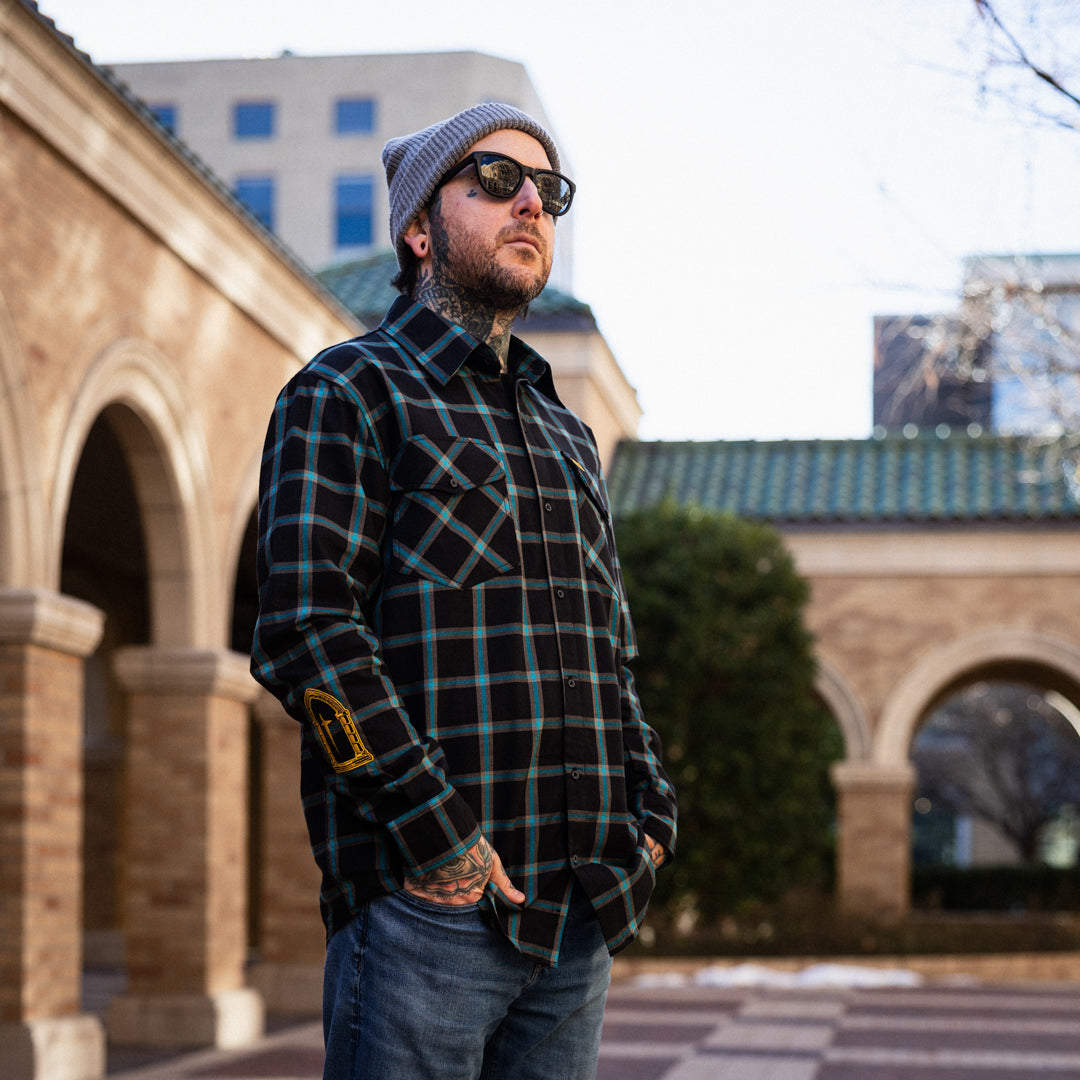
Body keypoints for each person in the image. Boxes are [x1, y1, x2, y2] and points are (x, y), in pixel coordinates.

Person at [251, 102, 676, 1080]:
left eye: (550, 191)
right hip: (425, 917)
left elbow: (608, 650)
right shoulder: (347, 392)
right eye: (494, 178)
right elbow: (304, 635)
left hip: (581, 917)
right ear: (416, 227)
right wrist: (438, 840)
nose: (532, 202)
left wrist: (649, 816)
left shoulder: (566, 434)